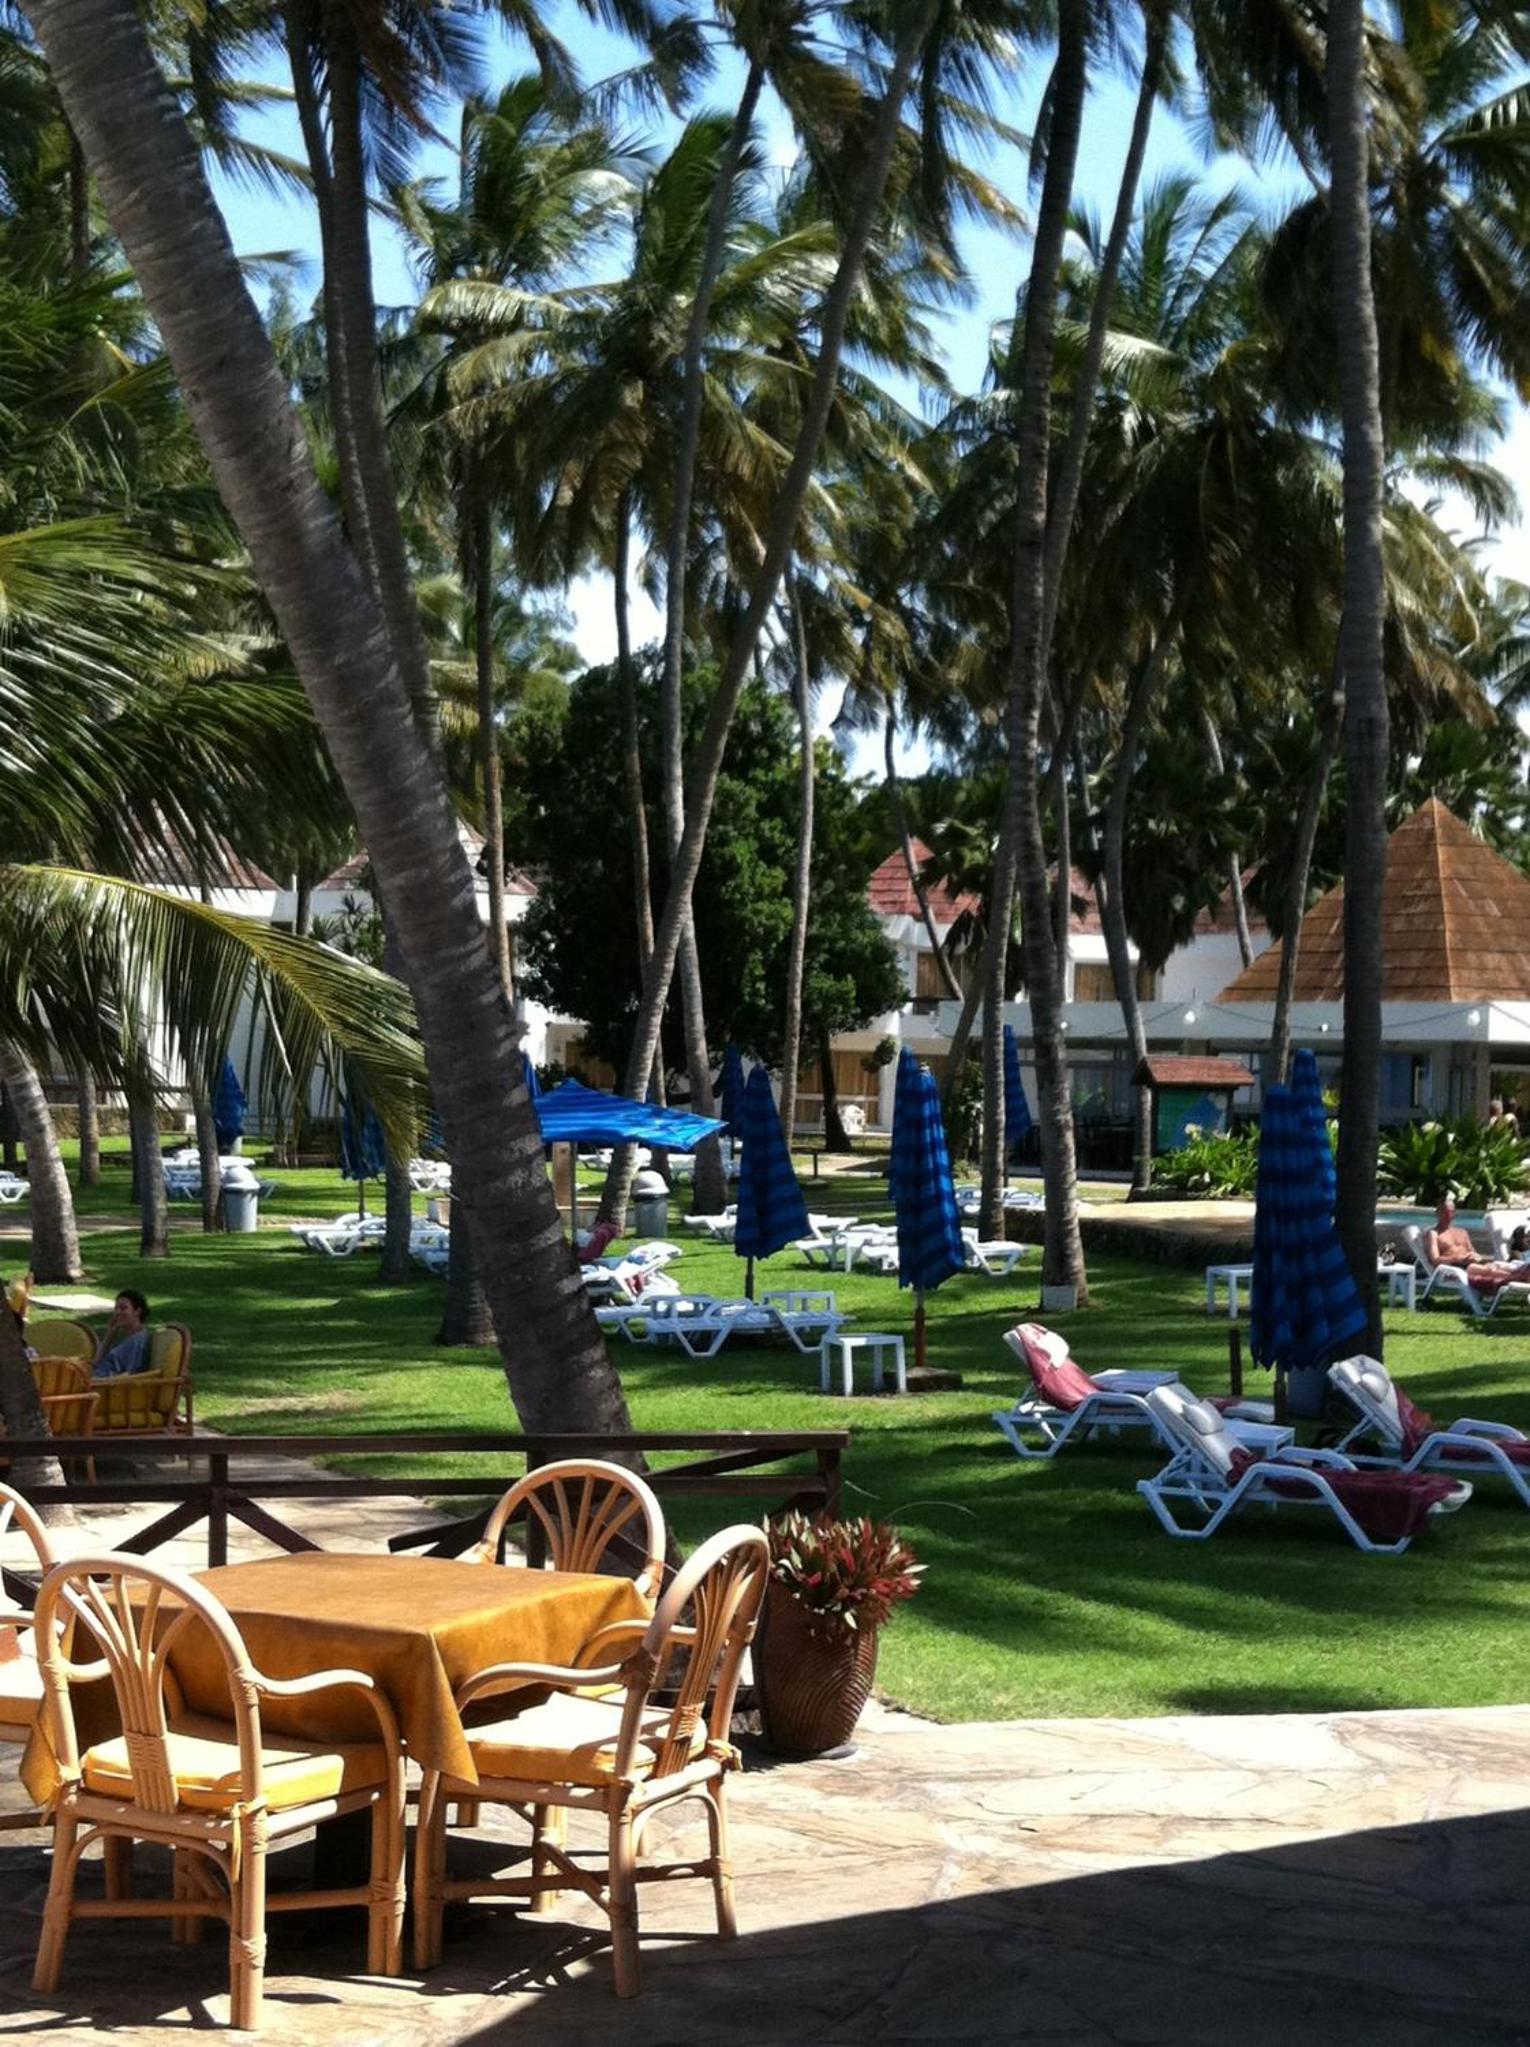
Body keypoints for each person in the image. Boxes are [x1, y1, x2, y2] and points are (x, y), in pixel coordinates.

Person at [1423, 1200, 1530, 1295]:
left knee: (1496, 1266)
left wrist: (1476, 1257)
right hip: (1452, 1268)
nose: (1448, 1215)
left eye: (1451, 1211)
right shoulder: (1433, 1233)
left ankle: (1522, 1276)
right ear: (1437, 1213)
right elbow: (1435, 1260)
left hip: (1470, 1264)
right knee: (1489, 1269)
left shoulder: (1461, 1232)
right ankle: (1520, 1277)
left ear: (1455, 1213)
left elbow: (1474, 1252)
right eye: (1444, 1212)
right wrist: (1458, 1259)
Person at [93, 1289, 152, 1379]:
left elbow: (131, 1375)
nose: (117, 1312)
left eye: (123, 1308)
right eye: (116, 1309)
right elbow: (95, 1364)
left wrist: (102, 1382)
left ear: (137, 1311)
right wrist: (110, 1333)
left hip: (103, 1384)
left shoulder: (139, 1340)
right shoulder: (126, 1339)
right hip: (94, 1379)